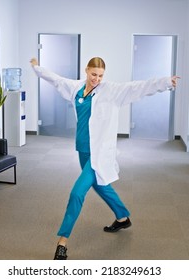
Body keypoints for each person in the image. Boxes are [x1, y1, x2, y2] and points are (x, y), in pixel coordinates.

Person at [30, 57, 179, 260]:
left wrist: (165, 82)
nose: (97, 79)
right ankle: (123, 217)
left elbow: (139, 87)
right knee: (101, 185)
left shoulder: (111, 91)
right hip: (82, 150)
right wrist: (36, 68)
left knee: (77, 193)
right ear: (86, 71)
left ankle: (62, 242)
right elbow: (56, 80)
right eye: (93, 74)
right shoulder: (76, 88)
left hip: (99, 153)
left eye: (100, 76)